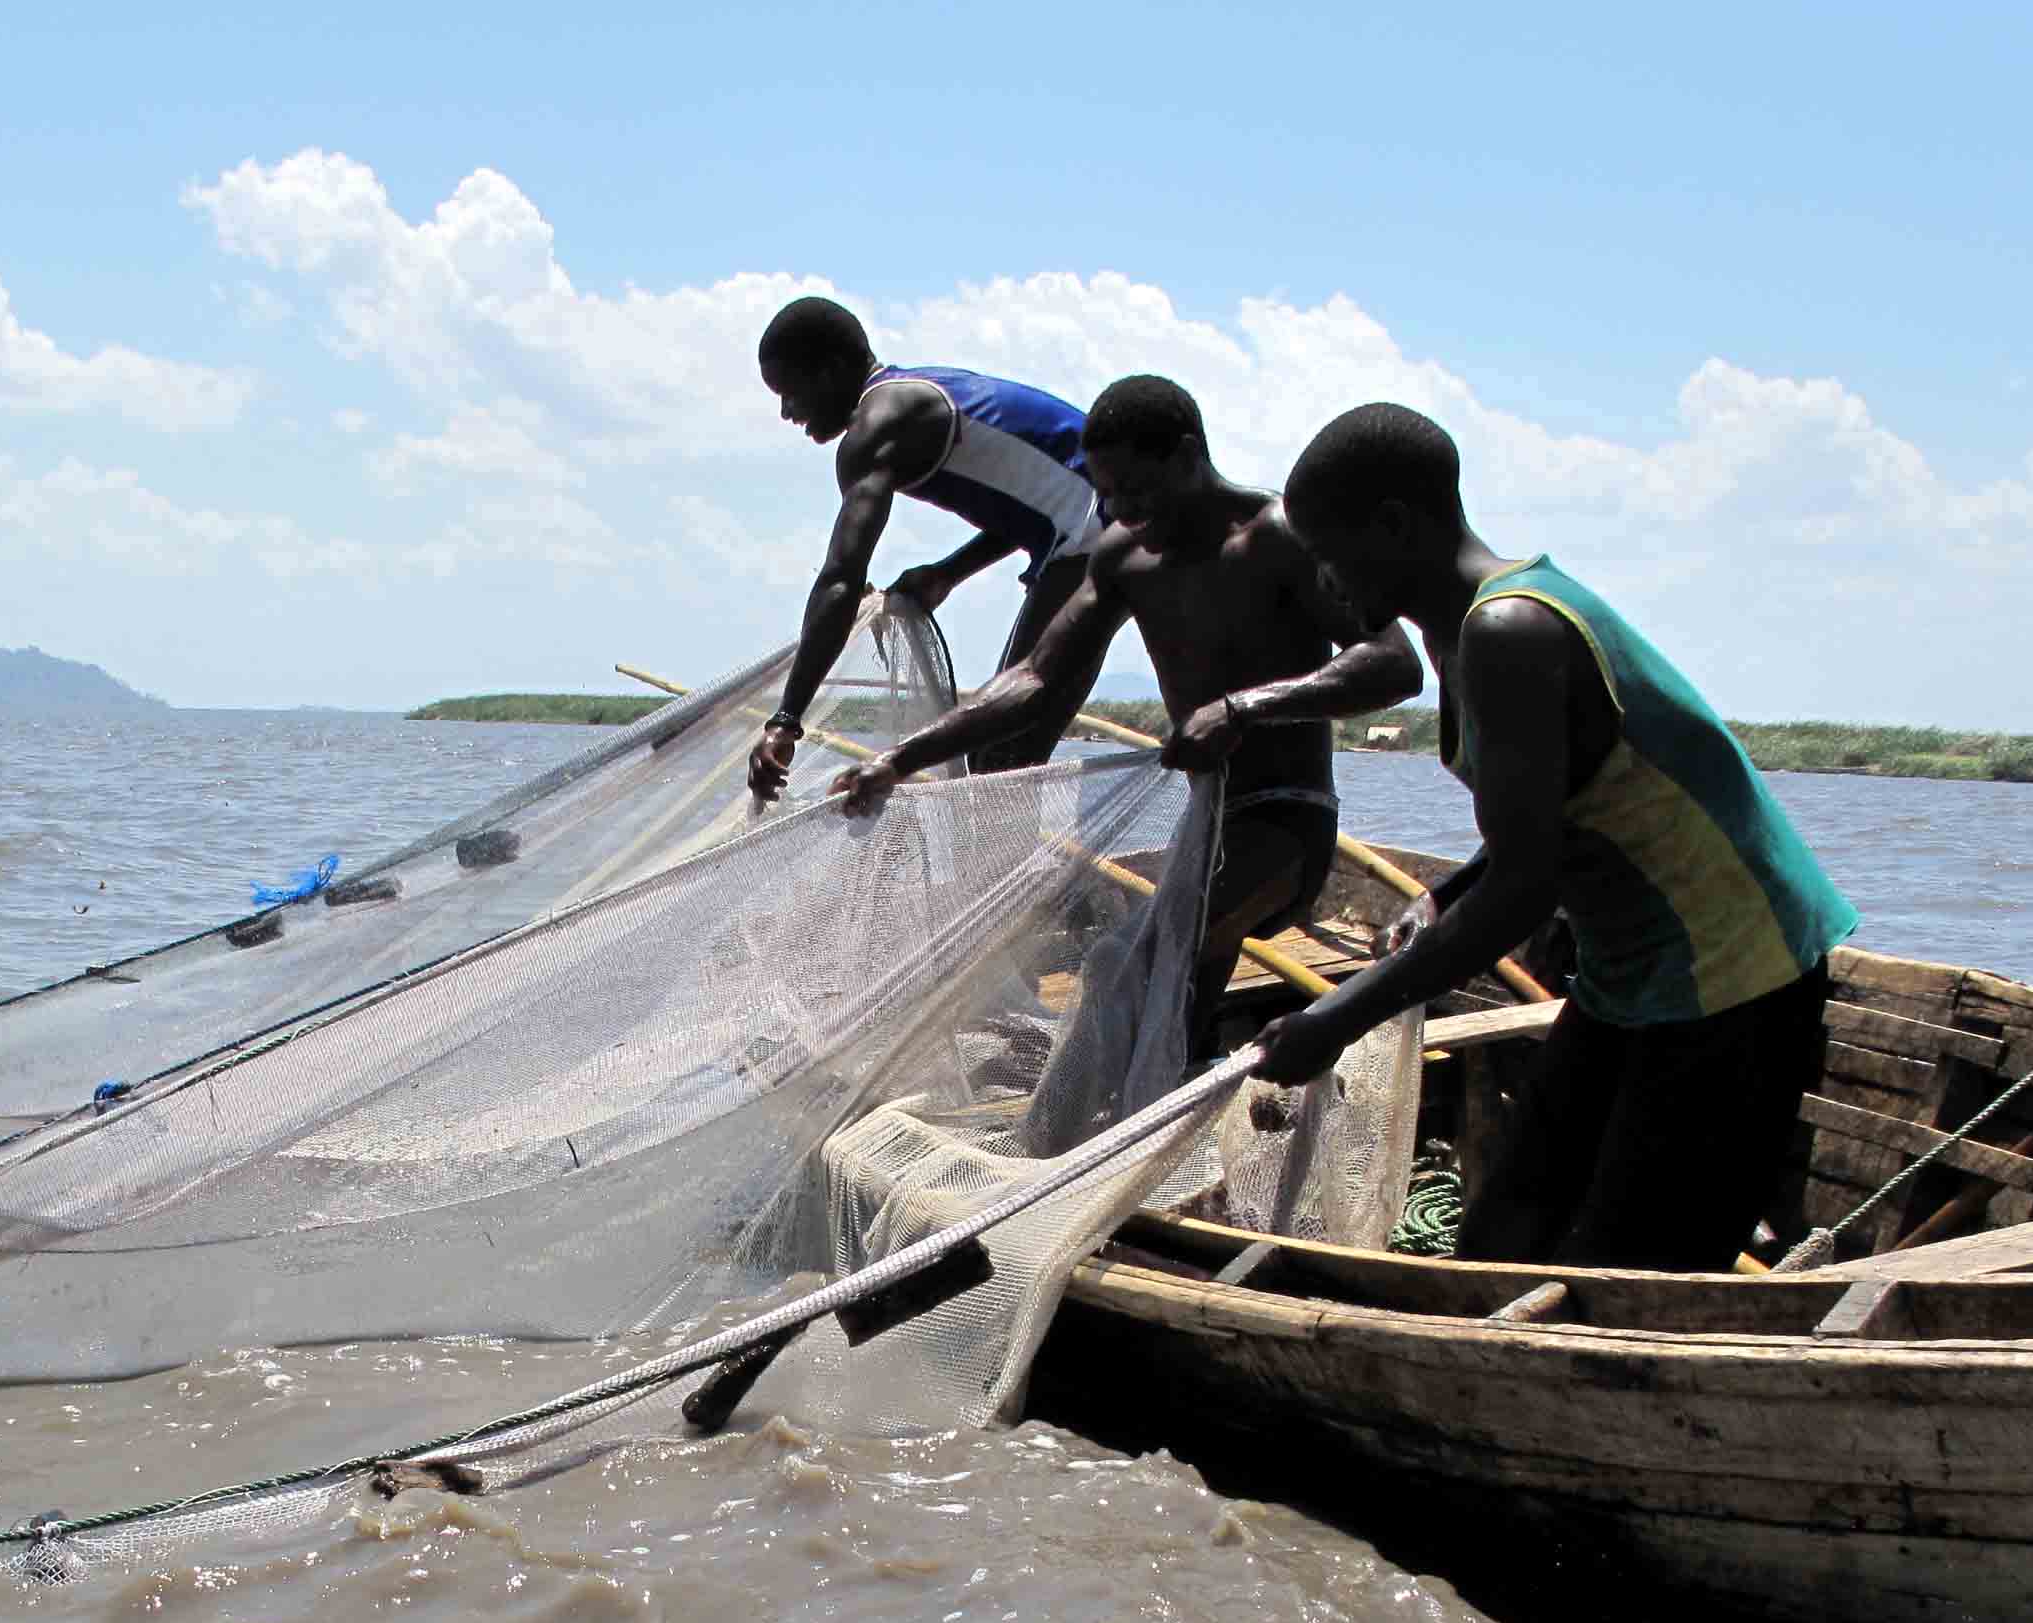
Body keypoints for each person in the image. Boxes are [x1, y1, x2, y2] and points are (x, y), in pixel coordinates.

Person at [1246, 401, 1858, 1271]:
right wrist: (1442, 896)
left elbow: (1525, 891)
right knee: (1507, 1232)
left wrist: (1338, 1016)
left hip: (1735, 973)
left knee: (1635, 1275)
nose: (1325, 583)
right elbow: (1546, 822)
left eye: (1330, 555)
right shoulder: (1461, 634)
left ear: (1395, 526)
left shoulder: (1512, 630)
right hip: (1631, 973)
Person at [830, 375, 1424, 1078]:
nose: (1122, 510)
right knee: (1173, 1029)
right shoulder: (1124, 556)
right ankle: (1165, 1113)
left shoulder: (1277, 537)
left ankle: (1068, 1129)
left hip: (1286, 818)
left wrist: (1242, 709)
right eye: (1108, 494)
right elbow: (1037, 678)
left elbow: (1394, 665)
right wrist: (900, 759)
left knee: (1126, 959)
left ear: (1188, 456)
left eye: (1138, 490)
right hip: (1204, 827)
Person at [749, 296, 1106, 798]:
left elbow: (841, 578)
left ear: (829, 372)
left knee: (1001, 754)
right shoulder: (910, 398)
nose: (787, 412)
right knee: (998, 752)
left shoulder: (877, 426)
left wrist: (786, 720)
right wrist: (948, 572)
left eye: (790, 393)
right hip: (1093, 527)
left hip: (1103, 532)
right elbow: (1038, 506)